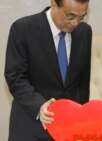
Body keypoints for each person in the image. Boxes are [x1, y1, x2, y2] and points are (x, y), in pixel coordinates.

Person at [4, 0, 91, 140]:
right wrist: (40, 105)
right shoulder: (23, 29)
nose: (75, 23)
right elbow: (15, 77)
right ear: (54, 4)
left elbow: (83, 81)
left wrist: (82, 116)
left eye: (81, 17)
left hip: (69, 128)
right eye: (70, 17)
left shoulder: (84, 32)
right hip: (31, 125)